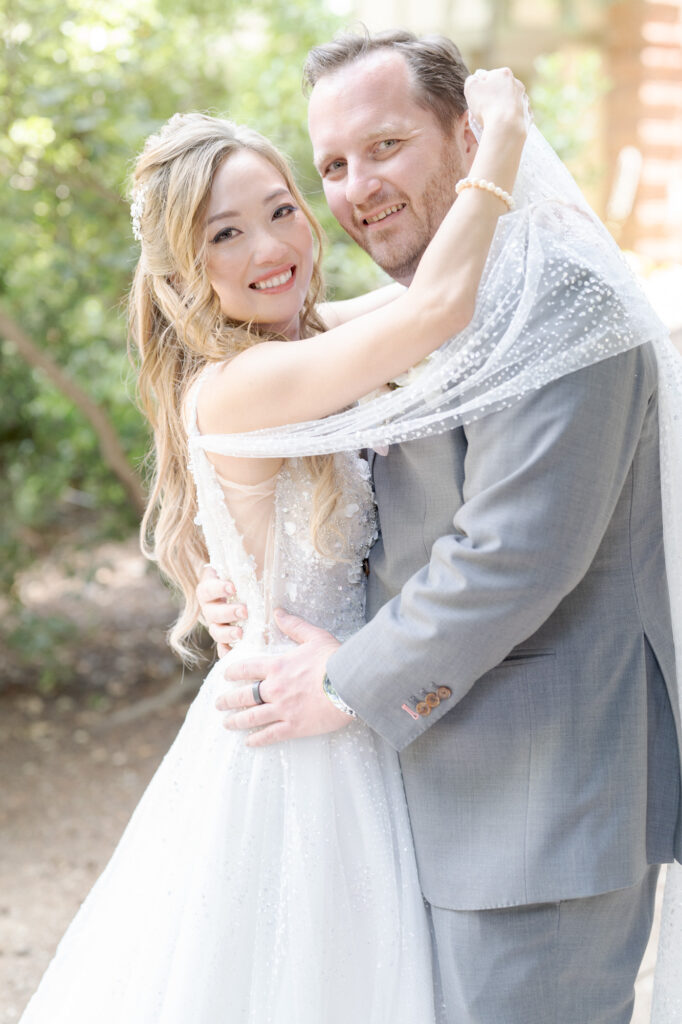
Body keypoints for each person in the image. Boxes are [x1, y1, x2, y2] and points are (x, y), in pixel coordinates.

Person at [17, 71, 529, 1023]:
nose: (270, 247)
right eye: (224, 233)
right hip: (298, 747)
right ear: (183, 268)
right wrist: (499, 142)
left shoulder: (292, 345)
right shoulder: (243, 383)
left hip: (340, 712)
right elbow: (434, 310)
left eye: (282, 211)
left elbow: (440, 290)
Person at [199, 29, 682, 1024]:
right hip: (423, 793)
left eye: (384, 147)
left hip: (537, 807)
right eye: (331, 165)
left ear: (469, 140)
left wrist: (339, 681)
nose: (356, 187)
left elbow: (511, 556)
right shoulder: (427, 303)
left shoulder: (556, 299)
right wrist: (252, 589)